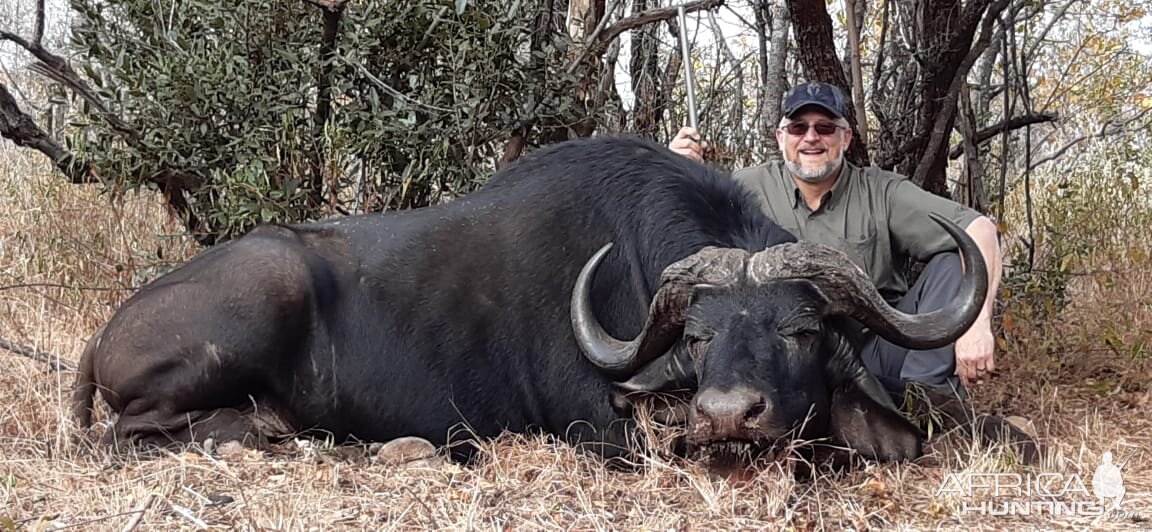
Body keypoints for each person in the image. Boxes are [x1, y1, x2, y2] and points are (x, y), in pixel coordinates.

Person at [667, 81, 1003, 400]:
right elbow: (690, 246)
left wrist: (976, 324)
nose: (811, 138)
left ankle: (919, 402)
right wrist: (680, 173)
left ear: (845, 138)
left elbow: (980, 230)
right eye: (798, 128)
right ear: (781, 137)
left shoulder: (881, 191)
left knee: (951, 265)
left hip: (871, 355)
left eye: (825, 127)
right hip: (778, 358)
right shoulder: (744, 188)